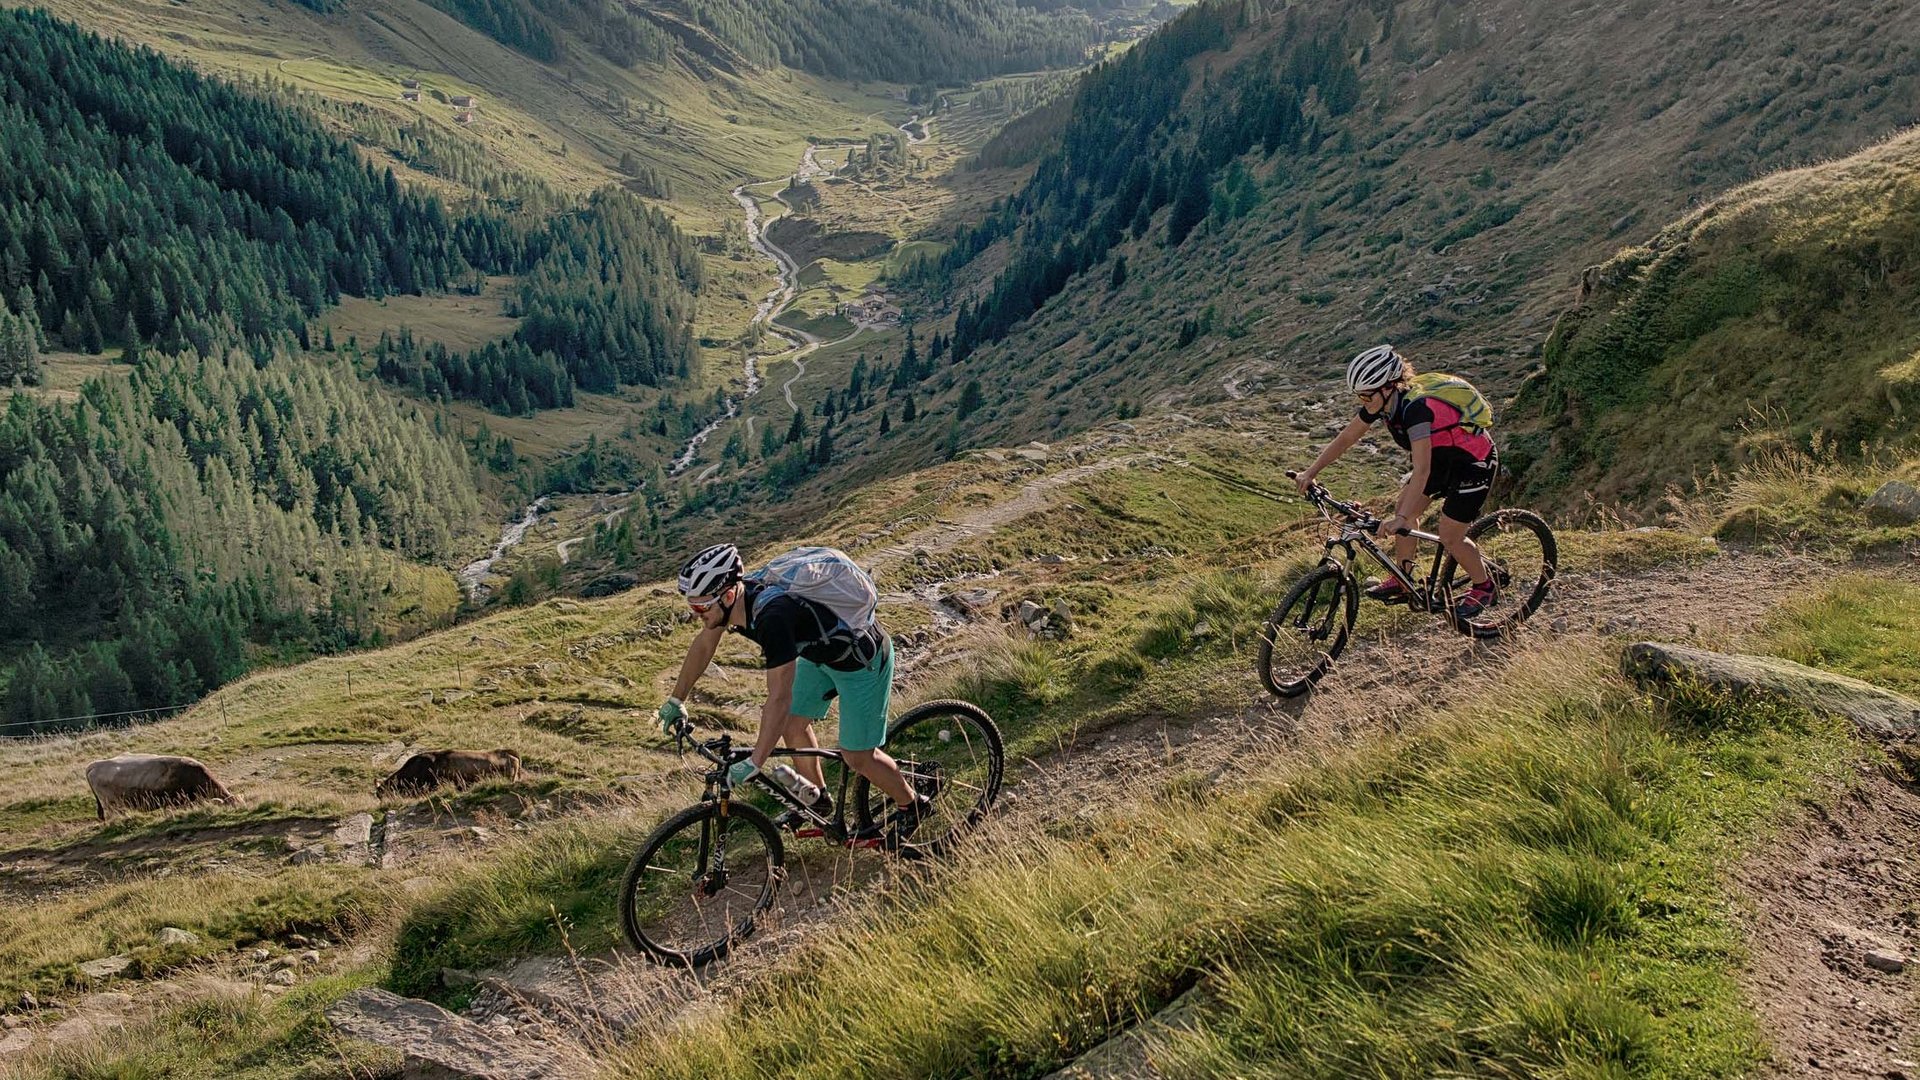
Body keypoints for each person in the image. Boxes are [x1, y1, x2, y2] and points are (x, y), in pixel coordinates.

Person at [654, 543, 930, 846]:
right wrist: (676, 700)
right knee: (791, 725)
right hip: (820, 656)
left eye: (700, 608)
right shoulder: (736, 603)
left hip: (861, 662)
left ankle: (913, 804)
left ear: (729, 594)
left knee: (857, 756)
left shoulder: (772, 617)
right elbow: (704, 645)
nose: (696, 615)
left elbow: (779, 698)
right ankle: (818, 799)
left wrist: (756, 761)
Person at [1295, 345, 1501, 618]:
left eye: (1366, 395)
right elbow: (1346, 438)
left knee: (1449, 535)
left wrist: (1403, 518)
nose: (1362, 401)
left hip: (1473, 463)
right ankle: (1405, 579)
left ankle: (1484, 586)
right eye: (1359, 395)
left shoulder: (1416, 410)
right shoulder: (1382, 403)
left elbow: (1422, 469)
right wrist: (1311, 472)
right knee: (1404, 506)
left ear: (1389, 386)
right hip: (1443, 460)